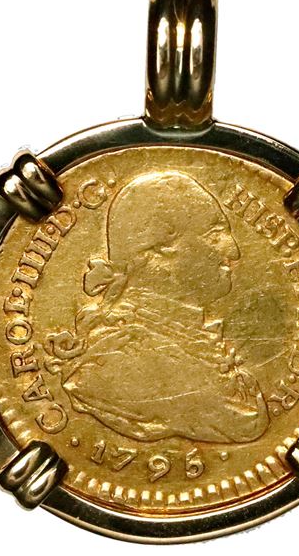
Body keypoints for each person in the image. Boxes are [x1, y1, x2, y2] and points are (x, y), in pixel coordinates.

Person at [44, 171, 269, 443]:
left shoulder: (189, 344)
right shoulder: (114, 368)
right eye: (214, 234)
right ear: (162, 246)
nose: (232, 251)